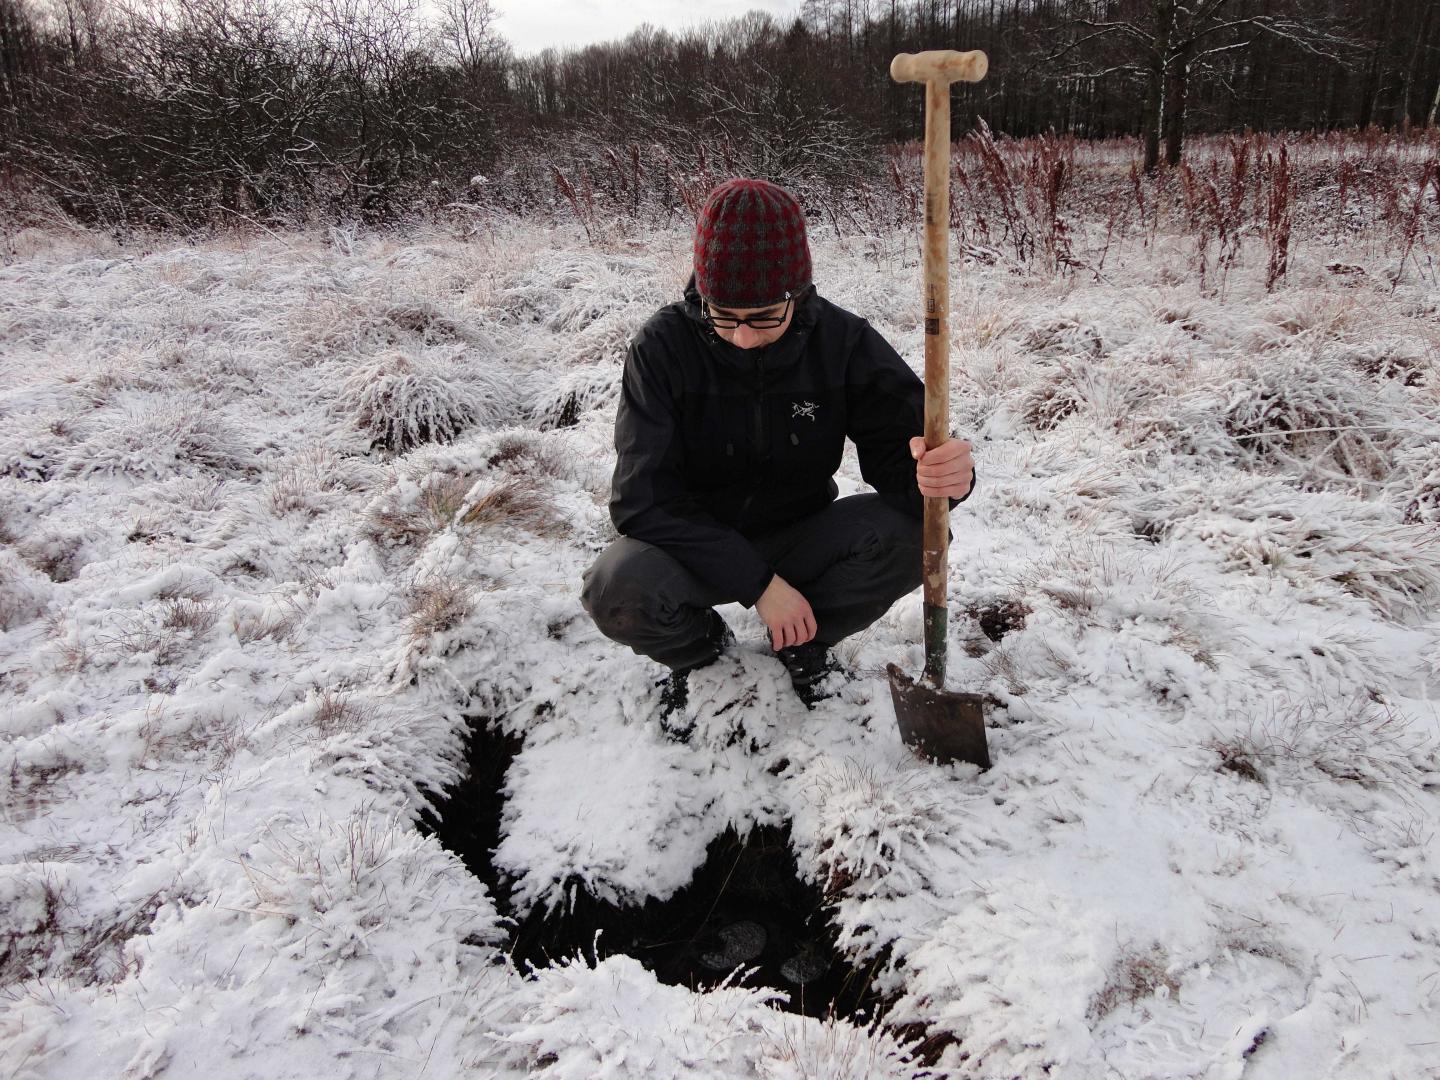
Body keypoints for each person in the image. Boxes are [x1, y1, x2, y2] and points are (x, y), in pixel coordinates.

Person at [581, 178, 975, 729]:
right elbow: (642, 504)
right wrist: (759, 586)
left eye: (765, 315)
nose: (743, 337)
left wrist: (942, 474)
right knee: (615, 587)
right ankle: (702, 652)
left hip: (801, 534)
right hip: (693, 547)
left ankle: (804, 640)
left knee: (918, 537)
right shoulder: (662, 348)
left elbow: (901, 458)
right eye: (725, 315)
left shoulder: (842, 342)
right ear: (703, 297)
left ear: (799, 292)